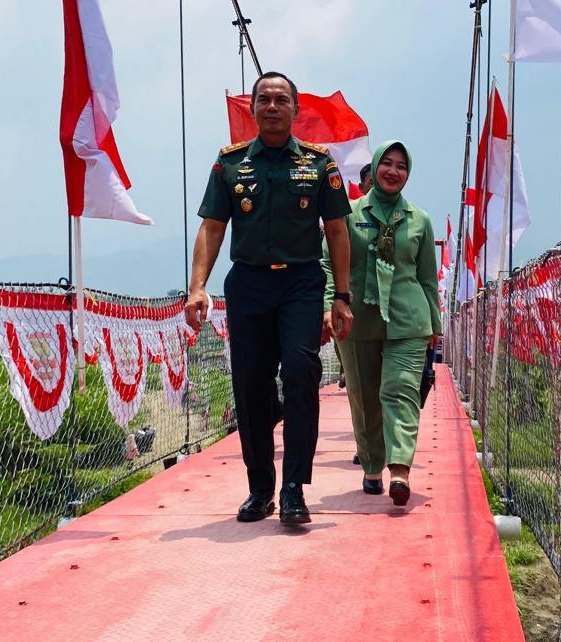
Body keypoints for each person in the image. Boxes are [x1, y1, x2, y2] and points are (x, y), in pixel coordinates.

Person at [186, 71, 354, 526]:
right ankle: (259, 488)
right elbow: (212, 228)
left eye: (282, 100)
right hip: (248, 284)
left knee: (301, 373)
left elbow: (337, 231)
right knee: (251, 385)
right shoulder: (230, 164)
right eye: (264, 100)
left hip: (301, 284)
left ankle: (295, 488)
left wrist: (342, 296)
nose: (273, 107)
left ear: (296, 110)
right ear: (253, 109)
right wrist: (197, 286)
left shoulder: (320, 165)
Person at [322, 140, 441, 506]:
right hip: (357, 320)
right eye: (386, 163)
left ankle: (400, 468)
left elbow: (427, 279)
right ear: (374, 170)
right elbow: (328, 263)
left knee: (401, 392)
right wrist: (329, 305)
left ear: (408, 174)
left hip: (408, 319)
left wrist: (434, 326)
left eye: (401, 166)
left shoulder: (419, 220)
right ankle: (372, 466)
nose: (393, 171)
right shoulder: (349, 213)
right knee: (364, 396)